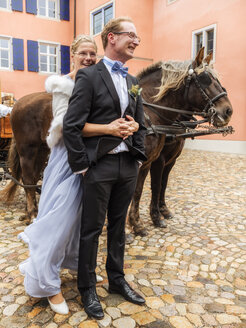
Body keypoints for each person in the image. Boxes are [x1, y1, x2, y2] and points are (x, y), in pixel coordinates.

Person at [18, 34, 139, 315]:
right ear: (72, 54)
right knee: (59, 221)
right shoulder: (64, 85)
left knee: (85, 222)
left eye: (91, 54)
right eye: (82, 53)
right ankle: (47, 284)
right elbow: (64, 126)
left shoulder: (99, 80)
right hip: (68, 160)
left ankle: (75, 266)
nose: (87, 58)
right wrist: (108, 128)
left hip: (95, 158)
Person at [63, 17, 147, 319]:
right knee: (91, 230)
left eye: (137, 37)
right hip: (98, 165)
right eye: (131, 35)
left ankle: (116, 279)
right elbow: (71, 127)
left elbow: (142, 126)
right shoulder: (89, 76)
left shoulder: (133, 82)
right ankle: (86, 287)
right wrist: (83, 167)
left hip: (128, 165)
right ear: (111, 37)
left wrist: (137, 145)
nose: (136, 41)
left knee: (118, 228)